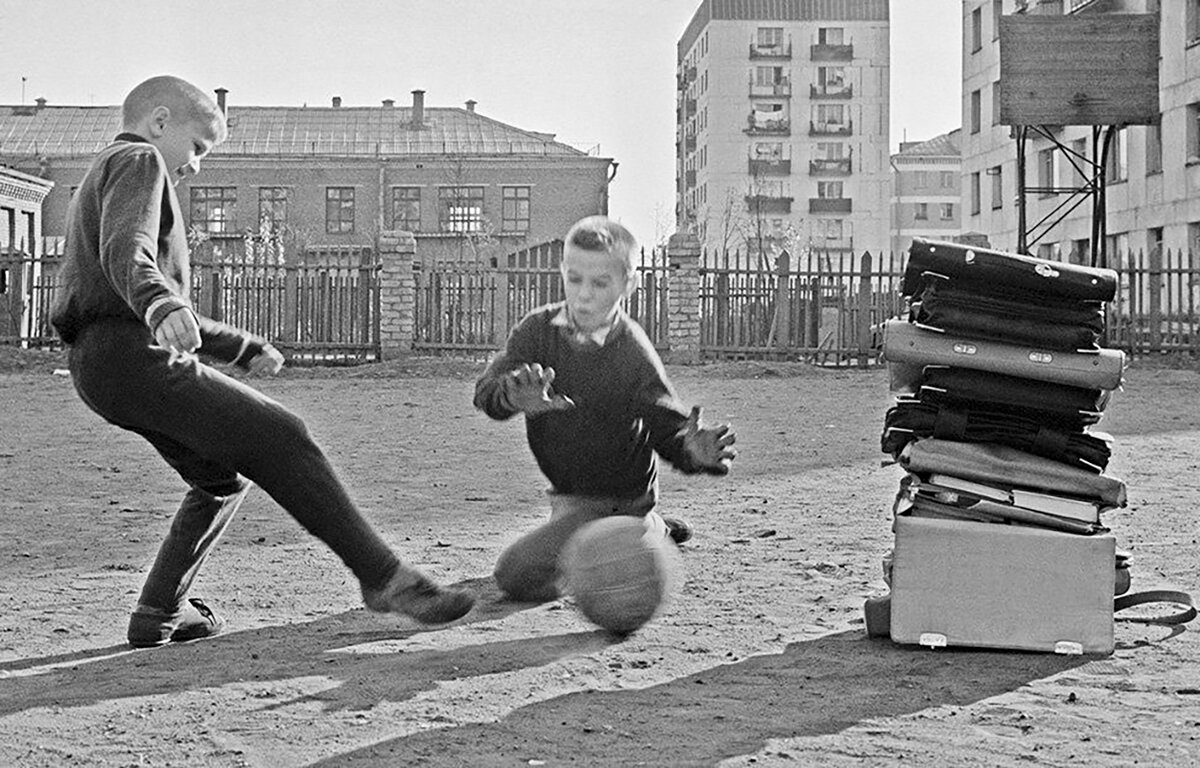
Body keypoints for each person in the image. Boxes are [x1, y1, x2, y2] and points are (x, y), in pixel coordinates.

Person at [50, 75, 474, 648]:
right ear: (159, 122)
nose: (196, 166)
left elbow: (113, 282)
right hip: (131, 355)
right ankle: (384, 578)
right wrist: (157, 300)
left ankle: (159, 612)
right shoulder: (140, 160)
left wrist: (237, 346)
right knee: (283, 433)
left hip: (98, 366)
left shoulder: (95, 177)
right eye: (198, 147)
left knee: (218, 481)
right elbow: (127, 252)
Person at [473, 215, 737, 601]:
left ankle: (639, 530)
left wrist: (691, 450)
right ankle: (646, 531)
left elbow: (666, 424)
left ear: (628, 285)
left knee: (516, 576)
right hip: (570, 498)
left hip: (622, 498)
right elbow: (486, 392)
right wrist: (510, 397)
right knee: (546, 558)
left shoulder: (631, 351)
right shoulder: (536, 331)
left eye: (601, 283)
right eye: (575, 278)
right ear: (563, 271)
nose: (584, 295)